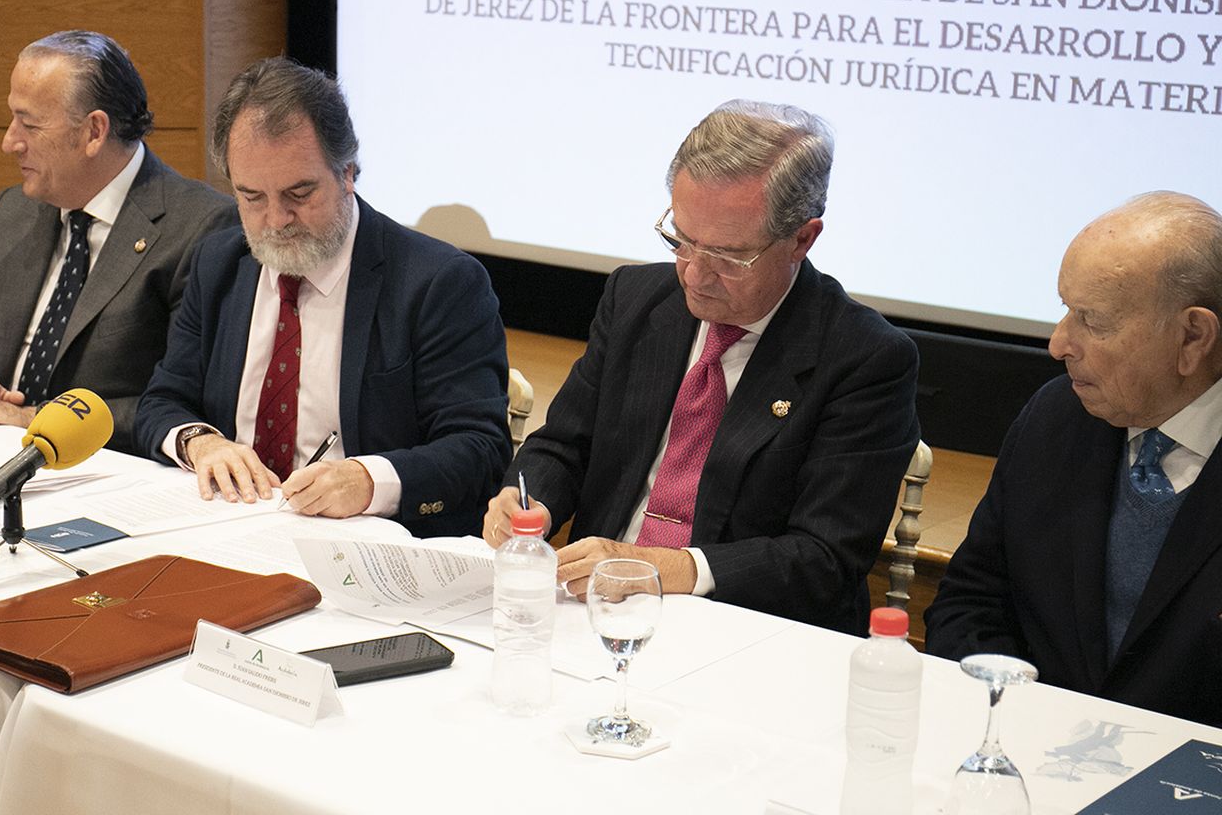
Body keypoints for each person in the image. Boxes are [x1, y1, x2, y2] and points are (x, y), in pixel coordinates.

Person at [483, 100, 920, 634]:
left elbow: (824, 558)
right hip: (593, 612)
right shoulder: (635, 298)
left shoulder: (864, 357)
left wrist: (663, 568)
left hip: (747, 631)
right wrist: (528, 502)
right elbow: (564, 445)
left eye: (728, 257)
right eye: (682, 240)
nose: (694, 274)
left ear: (802, 239)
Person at [133, 56, 511, 537]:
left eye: (299, 193)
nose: (276, 220)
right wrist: (202, 443)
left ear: (347, 172)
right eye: (252, 197)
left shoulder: (438, 282)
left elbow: (479, 449)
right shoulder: (219, 263)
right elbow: (162, 400)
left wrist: (368, 480)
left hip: (365, 543)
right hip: (230, 528)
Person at [926, 192, 1222, 726]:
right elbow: (972, 600)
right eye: (1065, 310)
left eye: (1093, 321)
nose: (1059, 343)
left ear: (1193, 337)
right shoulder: (1057, 416)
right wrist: (1015, 716)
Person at [0, 30, 235, 452]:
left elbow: (182, 405)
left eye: (29, 124)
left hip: (108, 471)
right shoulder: (12, 212)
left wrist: (35, 418)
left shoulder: (200, 228)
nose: (9, 142)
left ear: (94, 131)